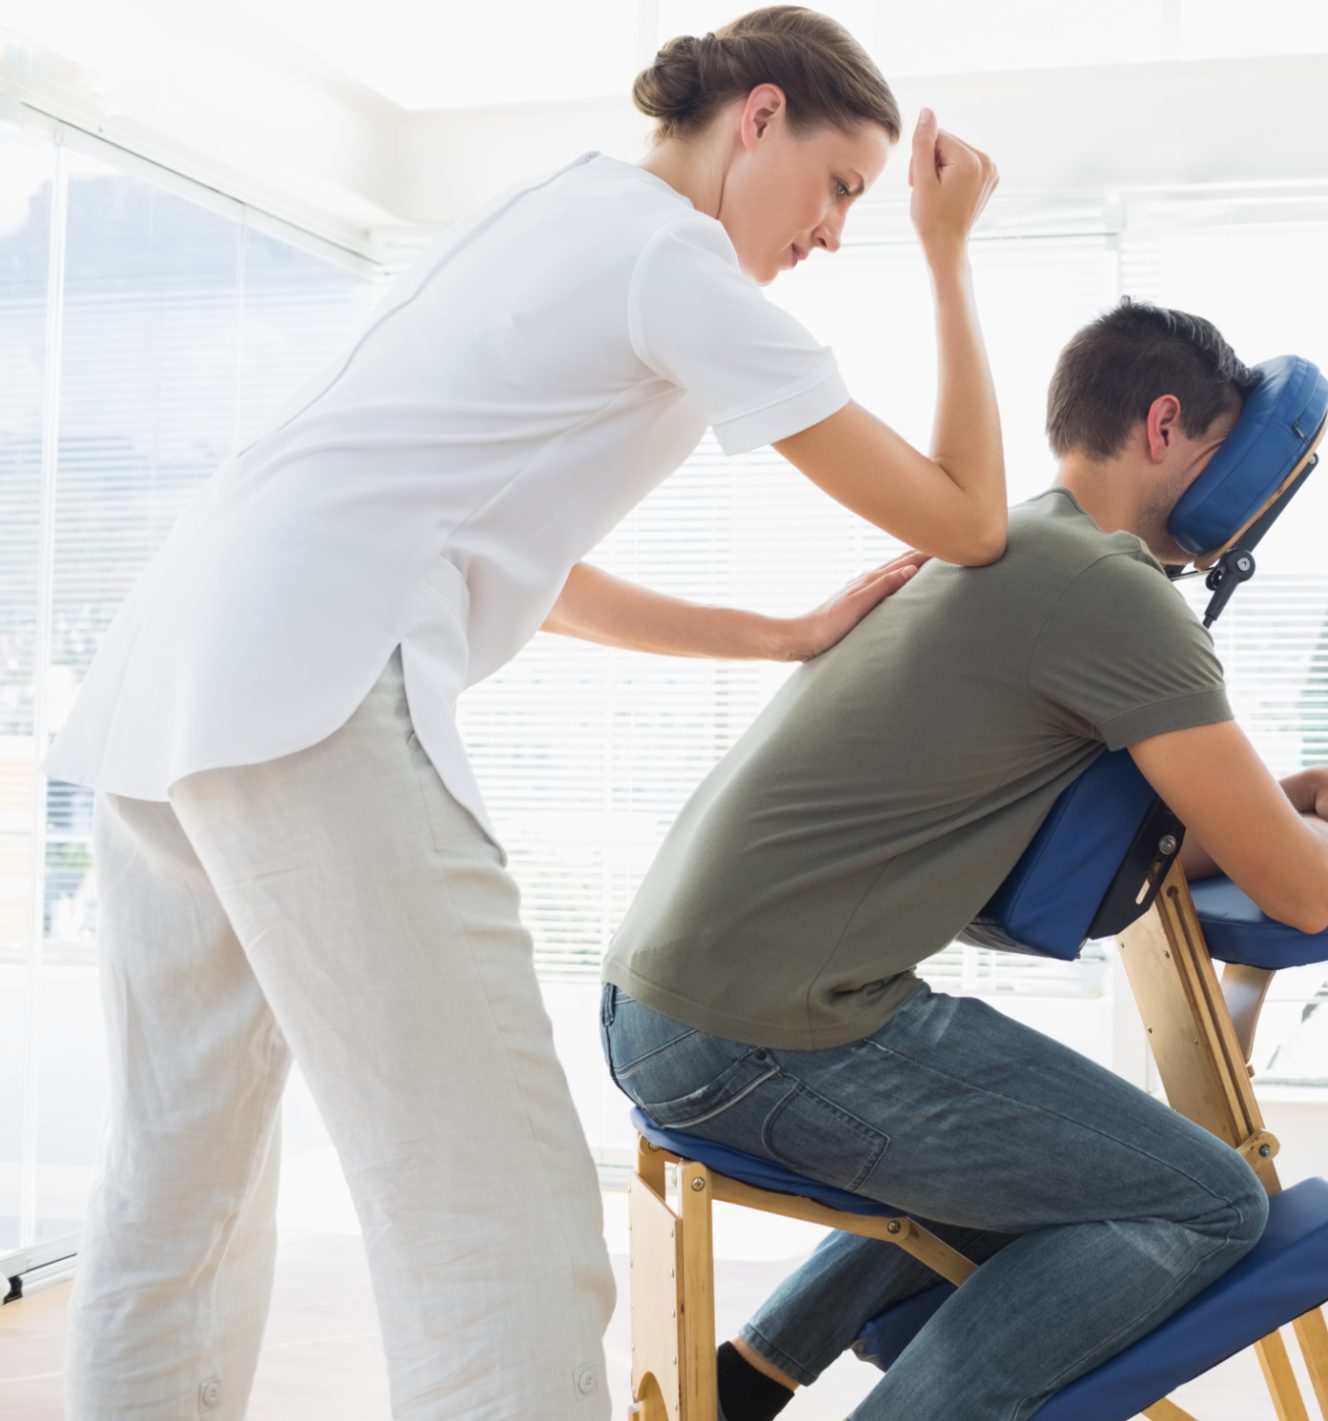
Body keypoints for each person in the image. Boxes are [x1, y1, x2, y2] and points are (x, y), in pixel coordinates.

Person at [45, 8, 1007, 1419]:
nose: (835, 233)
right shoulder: (674, 262)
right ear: (755, 117)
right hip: (311, 686)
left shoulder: (558, 211)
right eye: (842, 185)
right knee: (502, 1220)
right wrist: (947, 247)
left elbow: (520, 567)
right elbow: (971, 519)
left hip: (167, 687)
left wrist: (776, 634)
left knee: (172, 1190)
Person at [599, 300, 1328, 1421]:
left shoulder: (1001, 546)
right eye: (1232, 453)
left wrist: (1274, 801)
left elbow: (1140, 826)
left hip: (667, 1007)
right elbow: (1305, 888)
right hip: (764, 1035)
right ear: (1167, 425)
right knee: (1206, 1201)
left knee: (1073, 1153)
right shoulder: (1110, 589)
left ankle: (751, 1376)